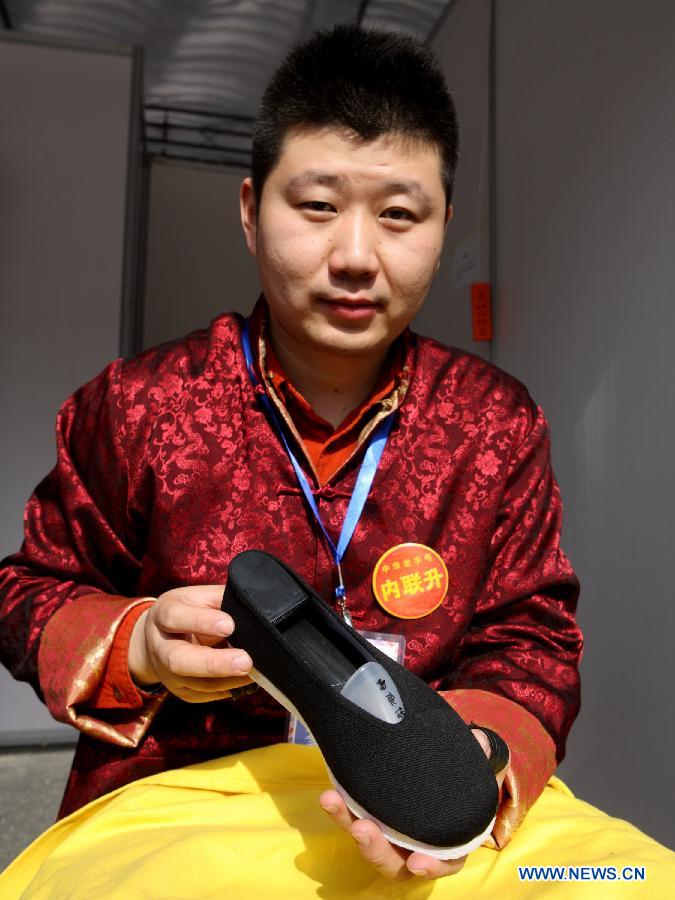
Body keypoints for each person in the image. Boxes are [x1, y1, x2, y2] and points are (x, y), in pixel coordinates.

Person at [0, 25, 583, 882]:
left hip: (408, 817)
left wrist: (473, 759)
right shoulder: (137, 404)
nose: (354, 255)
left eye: (398, 214)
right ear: (249, 210)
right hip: (176, 805)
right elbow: (28, 591)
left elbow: (531, 636)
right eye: (315, 207)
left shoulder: (494, 422)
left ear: (443, 223)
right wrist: (139, 643)